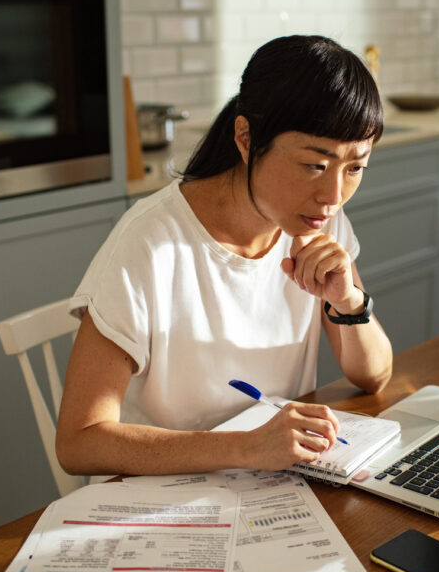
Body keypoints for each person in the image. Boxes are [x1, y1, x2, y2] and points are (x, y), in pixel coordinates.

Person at [55, 35, 393, 477]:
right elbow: (79, 443)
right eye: (315, 165)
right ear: (246, 139)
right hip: (163, 499)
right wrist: (247, 447)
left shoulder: (319, 222)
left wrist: (348, 302)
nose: (333, 195)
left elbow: (375, 376)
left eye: (355, 168)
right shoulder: (151, 242)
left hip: (272, 489)